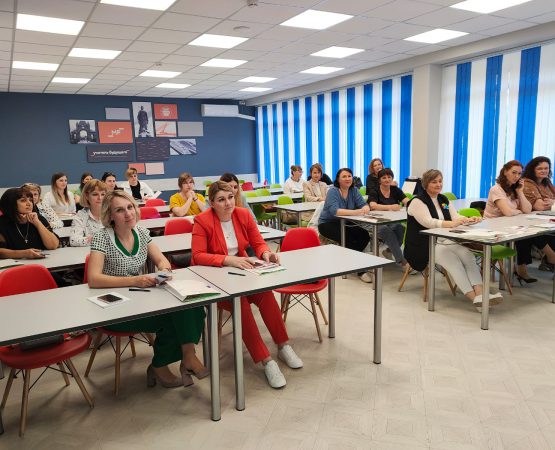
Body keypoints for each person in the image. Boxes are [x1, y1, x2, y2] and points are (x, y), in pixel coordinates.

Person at [87, 190, 207, 388]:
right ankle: (161, 365)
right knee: (172, 318)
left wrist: (164, 271)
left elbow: (161, 260)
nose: (128, 213)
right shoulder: (102, 237)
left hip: (140, 299)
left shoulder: (141, 233)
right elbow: (93, 279)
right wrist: (134, 280)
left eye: (130, 207)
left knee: (192, 305)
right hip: (113, 307)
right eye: (120, 210)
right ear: (110, 215)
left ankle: (188, 355)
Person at [191, 181, 303, 389]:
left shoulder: (243, 214)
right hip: (217, 280)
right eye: (221, 200)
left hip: (244, 272)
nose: (228, 203)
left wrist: (266, 254)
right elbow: (197, 256)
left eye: (230, 197)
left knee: (266, 295)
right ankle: (266, 360)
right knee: (240, 304)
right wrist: (228, 260)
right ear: (212, 203)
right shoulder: (202, 220)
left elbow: (258, 242)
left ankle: (283, 345)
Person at [405, 169, 502, 310]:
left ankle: (481, 295)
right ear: (426, 184)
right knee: (453, 261)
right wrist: (451, 224)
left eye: (440, 181)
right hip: (423, 244)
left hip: (444, 239)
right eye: (434, 182)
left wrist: (468, 219)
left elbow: (455, 216)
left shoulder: (443, 200)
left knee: (468, 256)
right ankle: (475, 299)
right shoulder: (417, 201)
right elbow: (428, 222)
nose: (438, 184)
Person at [484, 160, 555, 283]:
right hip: (493, 228)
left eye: (519, 173)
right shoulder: (496, 189)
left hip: (510, 225)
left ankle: (523, 268)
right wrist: (518, 211)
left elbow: (527, 210)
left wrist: (520, 192)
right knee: (527, 233)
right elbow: (508, 212)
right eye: (514, 172)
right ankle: (550, 256)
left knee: (529, 233)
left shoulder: (515, 189)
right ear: (505, 172)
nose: (517, 176)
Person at [318, 168, 372, 283]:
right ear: (338, 179)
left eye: (349, 176)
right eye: (344, 176)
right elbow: (336, 211)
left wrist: (364, 209)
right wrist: (357, 212)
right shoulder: (333, 191)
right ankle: (360, 270)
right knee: (348, 238)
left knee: (365, 235)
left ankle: (349, 262)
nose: (347, 178)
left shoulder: (354, 190)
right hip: (327, 223)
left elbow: (365, 205)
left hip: (346, 221)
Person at [0, 186, 59, 260]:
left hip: (42, 263)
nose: (29, 203)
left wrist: (37, 223)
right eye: (23, 200)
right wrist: (24, 253)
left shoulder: (38, 218)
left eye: (30, 200)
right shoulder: (2, 223)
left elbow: (53, 245)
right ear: (11, 204)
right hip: (15, 265)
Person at [368, 168, 409, 267]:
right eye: (384, 178)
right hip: (376, 222)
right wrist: (390, 207)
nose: (387, 179)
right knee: (386, 231)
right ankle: (402, 261)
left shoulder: (395, 190)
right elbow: (372, 205)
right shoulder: (374, 190)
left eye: (389, 177)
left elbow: (407, 201)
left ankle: (389, 251)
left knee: (401, 228)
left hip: (392, 220)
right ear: (379, 180)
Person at [522, 156, 555, 271]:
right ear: (532, 169)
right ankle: (551, 258)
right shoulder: (527, 183)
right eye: (540, 168)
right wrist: (552, 203)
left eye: (546, 168)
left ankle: (548, 260)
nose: (544, 171)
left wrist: (552, 202)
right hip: (529, 222)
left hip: (547, 219)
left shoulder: (547, 182)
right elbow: (540, 206)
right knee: (541, 233)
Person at [70, 179, 106, 247]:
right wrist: (99, 239)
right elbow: (73, 240)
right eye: (95, 194)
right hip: (89, 252)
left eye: (103, 194)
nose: (100, 198)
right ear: (87, 196)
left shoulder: (112, 214)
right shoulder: (80, 216)